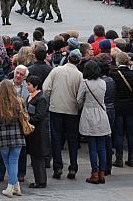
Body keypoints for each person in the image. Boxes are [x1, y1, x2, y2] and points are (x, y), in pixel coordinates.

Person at [42, 51, 82, 179]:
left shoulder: (56, 70)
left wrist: (51, 100)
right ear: (79, 61)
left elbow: (46, 88)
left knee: (56, 138)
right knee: (72, 139)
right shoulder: (79, 75)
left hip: (56, 108)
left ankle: (58, 167)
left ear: (68, 58)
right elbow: (81, 95)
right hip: (72, 110)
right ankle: (73, 167)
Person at [77, 60, 111, 185]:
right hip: (101, 113)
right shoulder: (103, 82)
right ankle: (102, 173)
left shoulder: (85, 83)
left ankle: (94, 173)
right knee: (102, 146)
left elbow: (79, 100)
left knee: (92, 147)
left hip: (89, 114)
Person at [0, 80, 25, 197]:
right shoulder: (19, 102)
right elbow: (25, 118)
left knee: (7, 162)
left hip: (2, 137)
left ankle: (10, 188)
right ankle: (16, 187)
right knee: (14, 161)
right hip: (17, 136)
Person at [111, 51, 133, 168]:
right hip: (129, 105)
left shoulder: (113, 74)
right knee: (130, 133)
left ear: (118, 62)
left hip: (117, 105)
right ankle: (131, 158)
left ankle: (119, 158)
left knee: (118, 133)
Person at [25, 74, 50, 189]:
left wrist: (28, 119)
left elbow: (40, 116)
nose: (27, 86)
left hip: (39, 132)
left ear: (36, 86)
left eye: (29, 85)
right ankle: (38, 180)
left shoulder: (41, 98)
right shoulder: (31, 96)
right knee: (35, 157)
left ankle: (41, 181)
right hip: (33, 131)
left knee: (38, 157)